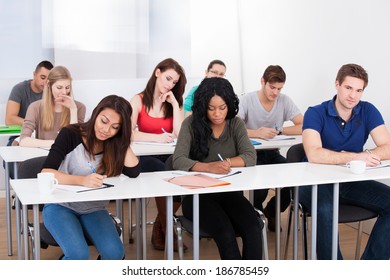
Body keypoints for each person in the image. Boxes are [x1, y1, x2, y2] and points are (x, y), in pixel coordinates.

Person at [300, 63, 390, 260]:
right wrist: (357, 157)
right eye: (348, 88)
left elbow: (388, 147)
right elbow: (314, 154)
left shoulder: (367, 110)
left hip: (349, 181)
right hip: (315, 183)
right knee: (325, 209)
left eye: (359, 90)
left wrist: (366, 154)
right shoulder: (315, 112)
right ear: (337, 85)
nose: (353, 96)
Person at [173, 77, 263, 259]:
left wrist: (227, 163)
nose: (217, 114)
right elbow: (178, 160)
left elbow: (250, 156)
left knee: (253, 228)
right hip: (198, 197)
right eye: (211, 108)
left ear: (229, 104)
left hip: (230, 193)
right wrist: (208, 167)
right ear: (202, 106)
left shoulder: (235, 124)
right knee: (225, 233)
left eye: (222, 108)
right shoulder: (190, 125)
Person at [41, 95, 140, 260]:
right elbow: (47, 172)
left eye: (115, 127)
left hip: (93, 208)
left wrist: (124, 138)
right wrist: (82, 181)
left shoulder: (113, 144)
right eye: (104, 121)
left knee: (115, 253)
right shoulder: (70, 134)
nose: (106, 130)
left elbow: (133, 171)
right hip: (61, 206)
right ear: (96, 114)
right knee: (78, 255)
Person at [129, 58, 187, 251]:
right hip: (145, 158)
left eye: (174, 82)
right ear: (157, 73)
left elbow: (180, 134)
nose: (169, 85)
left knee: (180, 171)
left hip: (168, 155)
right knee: (163, 172)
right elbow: (127, 134)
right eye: (167, 78)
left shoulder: (173, 102)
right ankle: (168, 231)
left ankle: (159, 226)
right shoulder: (138, 100)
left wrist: (175, 103)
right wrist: (155, 138)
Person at [238, 65, 303, 231]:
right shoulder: (247, 100)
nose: (275, 93)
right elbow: (234, 129)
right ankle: (256, 219)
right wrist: (257, 133)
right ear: (262, 82)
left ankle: (271, 211)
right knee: (259, 189)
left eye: (279, 89)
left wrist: (281, 130)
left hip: (273, 153)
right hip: (251, 154)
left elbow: (304, 126)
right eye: (272, 87)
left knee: (293, 180)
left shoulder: (284, 100)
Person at [16, 65, 86, 148]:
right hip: (43, 157)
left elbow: (75, 142)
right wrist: (56, 143)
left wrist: (73, 109)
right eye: (59, 87)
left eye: (67, 87)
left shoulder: (79, 107)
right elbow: (24, 140)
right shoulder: (35, 107)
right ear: (49, 84)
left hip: (67, 158)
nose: (64, 92)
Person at [5, 60, 54, 145]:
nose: (46, 82)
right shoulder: (19, 89)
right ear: (34, 74)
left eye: (49, 79)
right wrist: (34, 124)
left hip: (43, 137)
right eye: (42, 77)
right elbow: (9, 119)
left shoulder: (52, 91)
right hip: (19, 134)